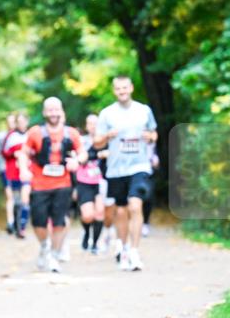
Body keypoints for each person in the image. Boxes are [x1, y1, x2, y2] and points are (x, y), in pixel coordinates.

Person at [93, 75, 157, 271]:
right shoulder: (106, 114)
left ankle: (135, 252)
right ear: (114, 91)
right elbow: (96, 143)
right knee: (121, 210)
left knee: (135, 206)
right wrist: (106, 136)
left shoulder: (143, 110)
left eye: (125, 88)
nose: (122, 91)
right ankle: (122, 246)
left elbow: (154, 133)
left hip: (139, 166)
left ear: (131, 88)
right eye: (118, 89)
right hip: (116, 168)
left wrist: (150, 137)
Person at [18, 97, 83, 273]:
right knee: (38, 222)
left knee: (59, 221)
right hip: (39, 185)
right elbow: (23, 153)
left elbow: (82, 153)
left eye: (56, 110)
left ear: (61, 111)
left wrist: (76, 161)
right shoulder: (35, 132)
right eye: (50, 110)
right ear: (44, 112)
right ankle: (45, 246)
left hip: (63, 184)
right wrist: (24, 170)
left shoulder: (71, 133)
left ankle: (54, 254)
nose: (53, 113)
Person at [75, 114, 105, 253]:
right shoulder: (81, 142)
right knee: (88, 215)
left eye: (95, 123)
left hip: (101, 181)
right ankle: (87, 233)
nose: (93, 126)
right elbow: (80, 158)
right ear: (86, 126)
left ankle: (95, 243)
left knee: (99, 214)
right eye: (90, 123)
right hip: (84, 181)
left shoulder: (106, 141)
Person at [1, 112, 30, 238]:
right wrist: (14, 154)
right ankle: (15, 224)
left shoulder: (31, 135)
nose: (22, 124)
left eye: (24, 121)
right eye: (19, 122)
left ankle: (22, 227)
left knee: (25, 199)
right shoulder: (11, 136)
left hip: (27, 171)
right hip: (13, 172)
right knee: (16, 200)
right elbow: (3, 152)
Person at [0, 114, 16, 234]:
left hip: (18, 171)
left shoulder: (21, 136)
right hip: (5, 170)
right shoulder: (1, 137)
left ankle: (18, 220)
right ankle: (10, 222)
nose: (11, 124)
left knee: (18, 197)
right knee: (9, 196)